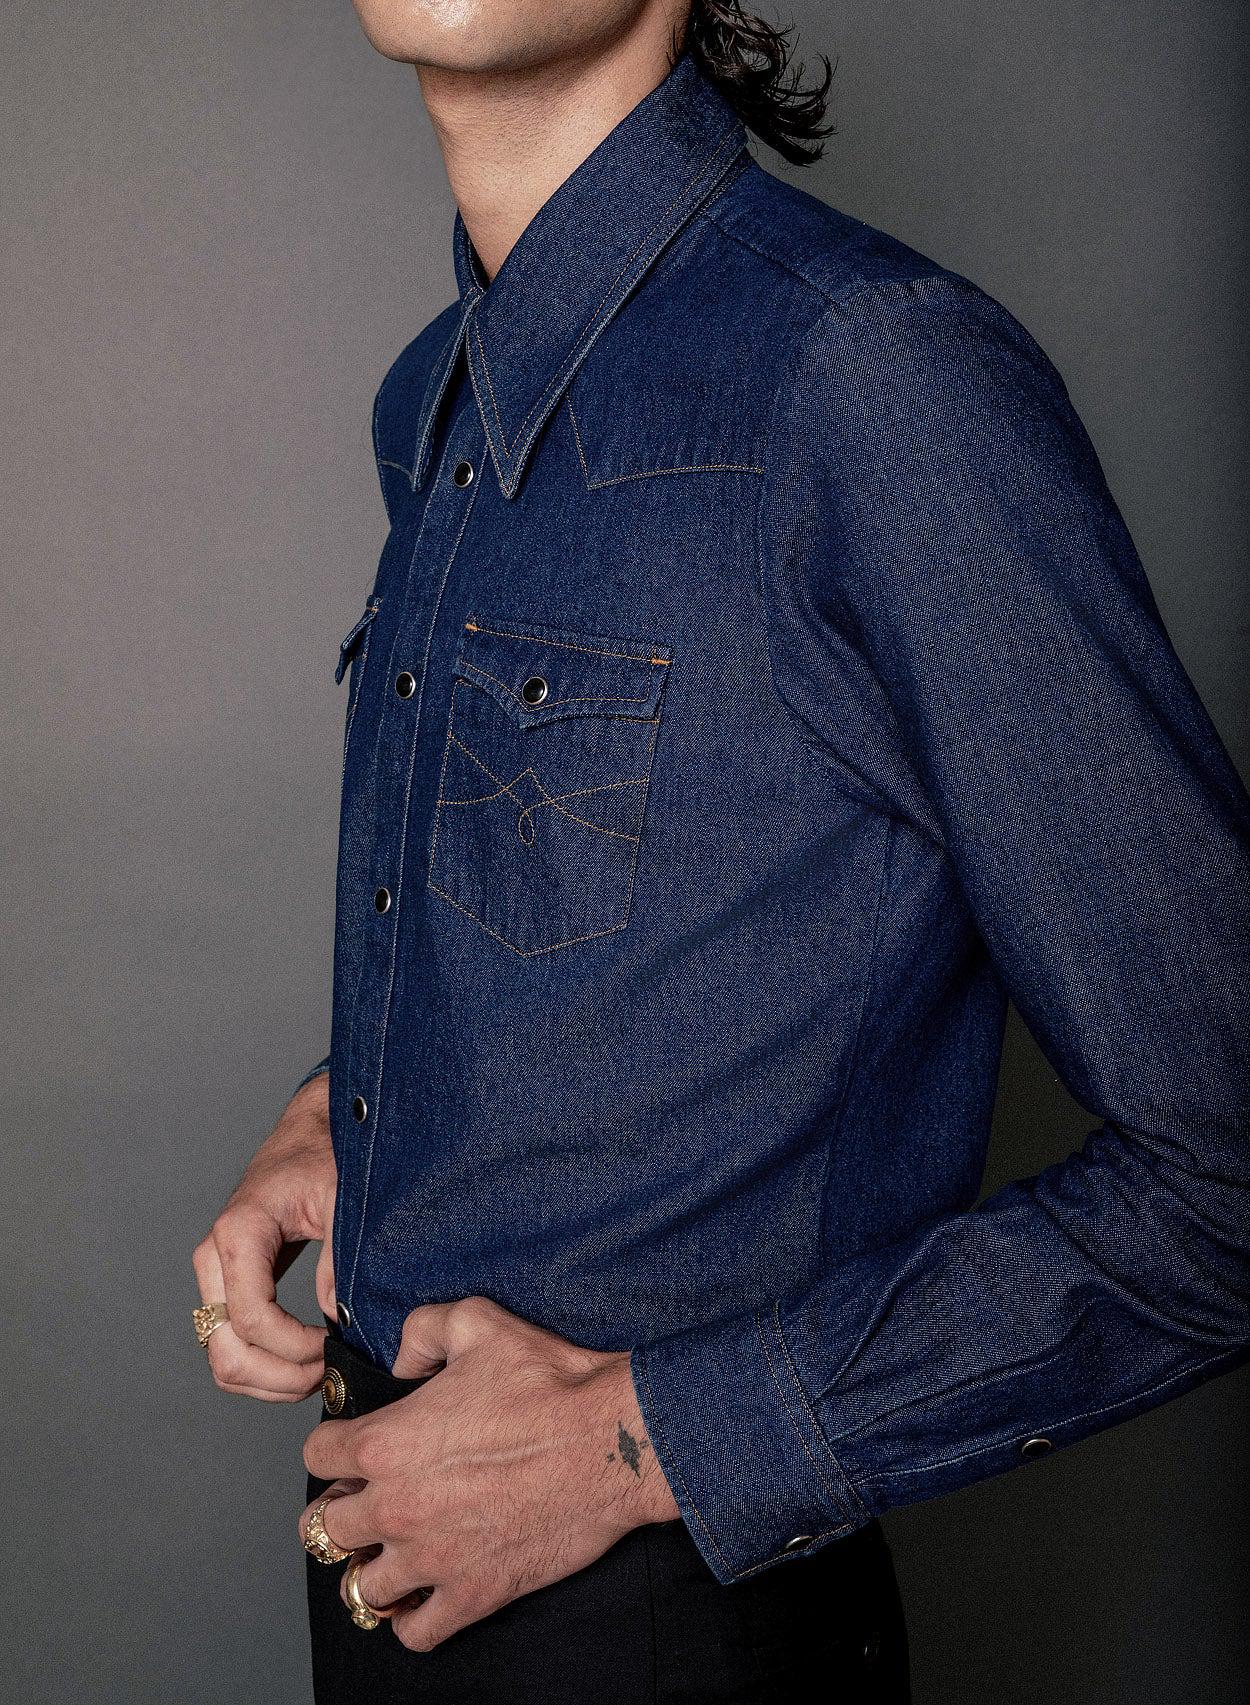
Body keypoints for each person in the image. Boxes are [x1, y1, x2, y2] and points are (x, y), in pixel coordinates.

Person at [191, 2, 1250, 1700]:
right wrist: (348, 1116)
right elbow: (636, 891)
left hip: (674, 1623)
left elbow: (1225, 1164)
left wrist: (631, 1444)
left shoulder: (874, 376)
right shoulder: (431, 391)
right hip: (391, 1572)